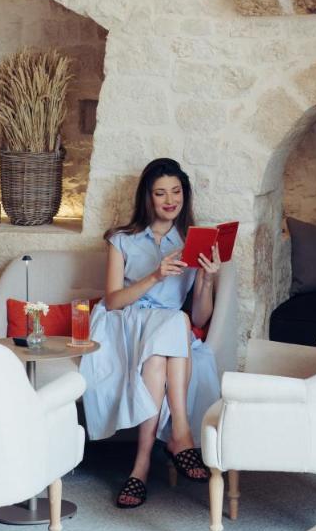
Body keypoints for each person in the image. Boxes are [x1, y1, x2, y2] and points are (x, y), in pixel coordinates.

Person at [79, 158, 221, 509]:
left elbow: (200, 315)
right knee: (176, 324)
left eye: (176, 191)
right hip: (125, 324)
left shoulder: (193, 241)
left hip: (166, 330)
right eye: (160, 193)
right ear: (148, 197)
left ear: (185, 195)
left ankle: (140, 467)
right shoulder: (121, 239)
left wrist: (207, 280)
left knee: (166, 343)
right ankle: (181, 435)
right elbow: (113, 301)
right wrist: (156, 276)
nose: (170, 200)